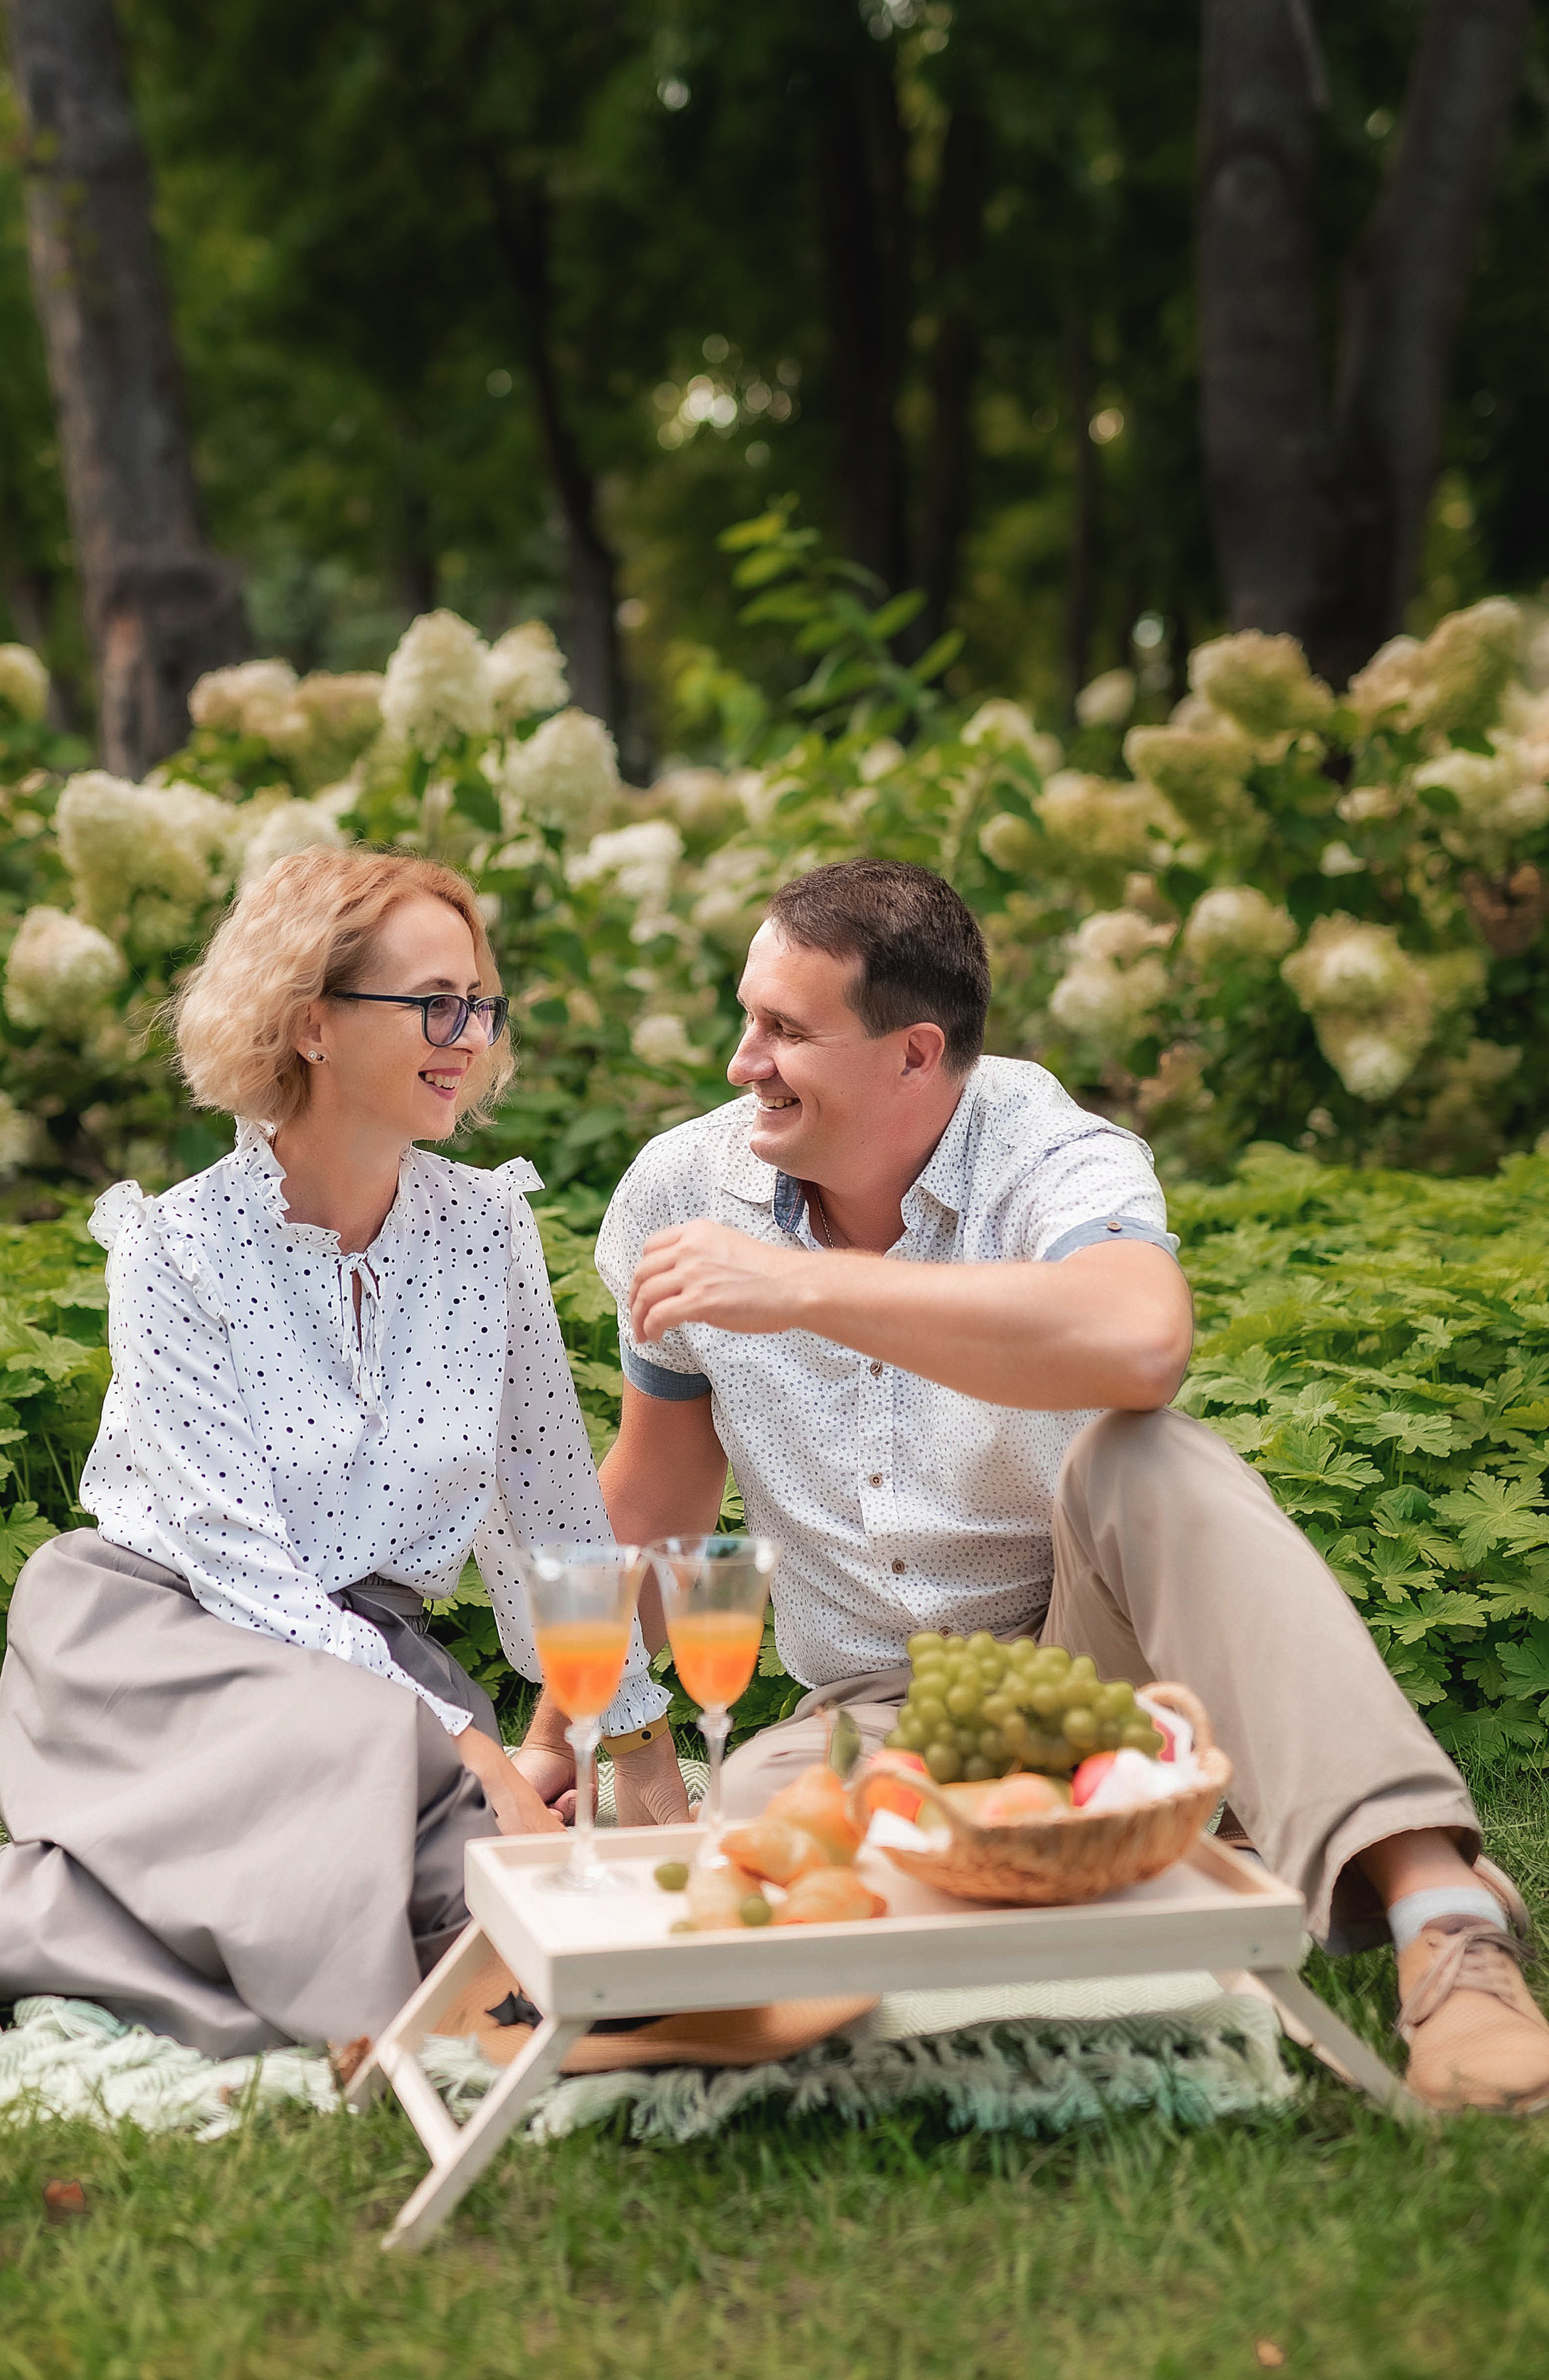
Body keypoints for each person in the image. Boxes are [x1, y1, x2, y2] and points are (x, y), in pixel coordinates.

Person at [583, 855, 1549, 2115]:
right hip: (885, 1715)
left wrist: (805, 1290)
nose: (740, 1062)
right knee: (772, 1807)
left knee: (1148, 1452)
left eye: (783, 1031)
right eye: (745, 1016)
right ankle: (1182, 1845)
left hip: (1101, 1651)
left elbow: (1142, 1340)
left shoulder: (1043, 1144)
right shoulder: (681, 1188)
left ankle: (1445, 1925)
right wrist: (576, 1723)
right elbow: (655, 1497)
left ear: (915, 1055)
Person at [0, 847, 662, 2075]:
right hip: (160, 1644)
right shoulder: (177, 1247)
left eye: (482, 1004)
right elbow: (244, 1569)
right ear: (311, 1024)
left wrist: (632, 1741)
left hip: (373, 1669)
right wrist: (476, 1747)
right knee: (374, 1868)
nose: (471, 1037)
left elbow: (550, 1515)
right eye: (434, 1004)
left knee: (468, 1895)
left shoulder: (487, 1229)